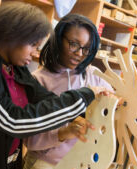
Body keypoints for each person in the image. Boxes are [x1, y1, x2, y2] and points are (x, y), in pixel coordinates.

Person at [0, 3, 105, 169]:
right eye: (33, 45)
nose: (35, 53)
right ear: (12, 36)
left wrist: (75, 116)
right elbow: (13, 121)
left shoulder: (17, 69)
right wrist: (83, 95)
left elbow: (43, 97)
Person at [23, 14, 114, 169]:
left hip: (84, 163)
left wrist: (112, 103)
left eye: (86, 49)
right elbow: (29, 140)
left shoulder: (93, 76)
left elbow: (114, 106)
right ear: (58, 39)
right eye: (73, 44)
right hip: (46, 164)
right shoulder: (38, 81)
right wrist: (64, 133)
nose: (79, 53)